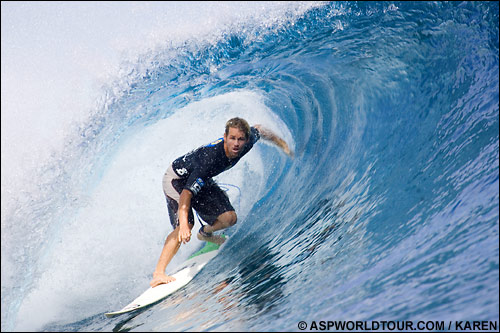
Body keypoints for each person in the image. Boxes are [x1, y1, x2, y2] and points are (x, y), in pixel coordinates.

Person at [150, 117, 292, 287]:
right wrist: (185, 225)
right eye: (232, 138)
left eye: (240, 139)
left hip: (200, 179)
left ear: (246, 139)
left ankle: (206, 233)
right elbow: (186, 193)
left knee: (229, 218)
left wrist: (282, 144)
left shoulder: (247, 142)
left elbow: (259, 129)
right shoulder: (209, 159)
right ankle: (158, 273)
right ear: (224, 137)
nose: (236, 144)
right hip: (177, 181)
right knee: (185, 224)